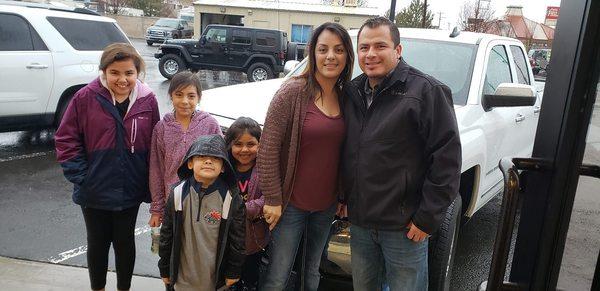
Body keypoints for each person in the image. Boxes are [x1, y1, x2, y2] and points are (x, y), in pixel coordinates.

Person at [340, 17, 462, 291]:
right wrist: (343, 195)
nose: (370, 54)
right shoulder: (352, 92)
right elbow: (349, 152)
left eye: (380, 45)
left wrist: (427, 218)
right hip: (360, 223)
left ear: (398, 50)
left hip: (404, 228)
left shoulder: (427, 92)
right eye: (364, 47)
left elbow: (447, 161)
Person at [55, 43, 160, 291]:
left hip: (130, 188)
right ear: (103, 71)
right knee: (98, 242)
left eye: (128, 73)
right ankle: (98, 288)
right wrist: (82, 176)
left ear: (137, 73)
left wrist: (150, 182)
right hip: (94, 189)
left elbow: (157, 142)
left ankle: (124, 287)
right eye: (115, 72)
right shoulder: (85, 98)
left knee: (125, 242)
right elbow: (66, 138)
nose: (122, 79)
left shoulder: (148, 101)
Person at [257, 22, 354, 291]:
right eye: (323, 49)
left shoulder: (348, 97)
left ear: (347, 55)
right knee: (278, 273)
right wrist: (273, 199)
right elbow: (268, 148)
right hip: (290, 205)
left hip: (326, 205)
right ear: (313, 53)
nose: (330, 56)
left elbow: (347, 152)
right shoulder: (292, 92)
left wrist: (343, 195)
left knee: (312, 272)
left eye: (338, 50)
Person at [158, 134, 246, 291]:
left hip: (213, 281)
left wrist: (233, 271)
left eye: (216, 158)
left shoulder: (231, 199)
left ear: (224, 166)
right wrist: (164, 267)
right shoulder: (177, 193)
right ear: (190, 163)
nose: (208, 161)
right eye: (201, 156)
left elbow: (237, 240)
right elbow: (166, 234)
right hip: (180, 280)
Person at [148, 71, 221, 228]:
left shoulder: (210, 124)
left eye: (191, 96)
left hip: (205, 200)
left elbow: (222, 163)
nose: (185, 101)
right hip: (173, 201)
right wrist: (157, 209)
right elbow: (156, 170)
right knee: (175, 248)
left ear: (199, 98)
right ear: (171, 96)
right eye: (179, 95)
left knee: (203, 246)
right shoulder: (161, 128)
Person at [224, 117, 269, 290]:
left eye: (250, 144)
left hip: (254, 241)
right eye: (238, 144)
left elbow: (270, 197)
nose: (244, 150)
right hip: (226, 242)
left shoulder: (265, 168)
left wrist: (242, 209)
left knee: (250, 282)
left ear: (260, 144)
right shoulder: (223, 169)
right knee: (228, 282)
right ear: (230, 145)